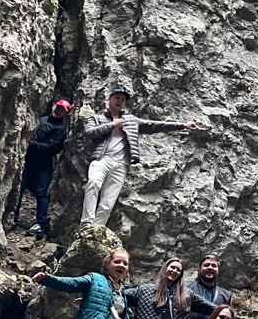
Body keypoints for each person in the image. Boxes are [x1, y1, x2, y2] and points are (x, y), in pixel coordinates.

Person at [80, 86, 198, 227]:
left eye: (123, 100)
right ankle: (86, 223)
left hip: (121, 165)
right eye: (117, 98)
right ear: (109, 99)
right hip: (101, 160)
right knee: (93, 183)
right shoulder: (96, 118)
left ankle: (96, 229)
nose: (120, 101)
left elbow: (155, 125)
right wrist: (113, 125)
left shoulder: (131, 120)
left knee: (108, 201)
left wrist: (182, 125)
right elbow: (89, 133)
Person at [14, 98, 72, 238]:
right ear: (53, 106)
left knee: (41, 192)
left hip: (43, 164)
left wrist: (30, 143)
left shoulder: (61, 131)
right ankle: (13, 215)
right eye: (57, 107)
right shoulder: (41, 120)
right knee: (19, 186)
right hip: (28, 160)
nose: (58, 111)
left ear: (65, 114)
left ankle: (41, 224)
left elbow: (51, 148)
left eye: (62, 110)